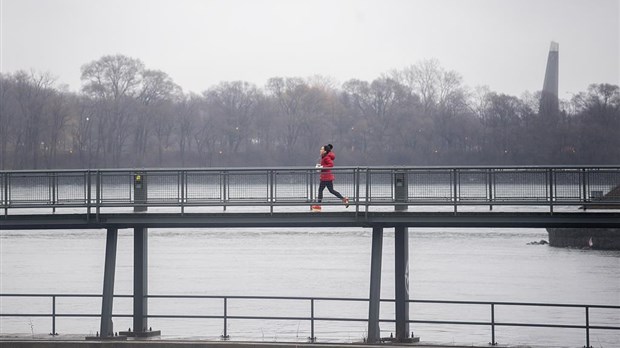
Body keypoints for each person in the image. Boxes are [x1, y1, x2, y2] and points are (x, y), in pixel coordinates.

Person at [311, 144, 349, 211]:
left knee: (320, 190)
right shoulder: (325, 156)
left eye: (322, 149)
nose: (320, 150)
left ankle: (318, 206)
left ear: (325, 151)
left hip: (325, 177)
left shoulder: (326, 157)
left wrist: (322, 167)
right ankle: (344, 199)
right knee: (331, 190)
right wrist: (321, 166)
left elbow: (331, 164)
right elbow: (326, 164)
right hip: (327, 176)